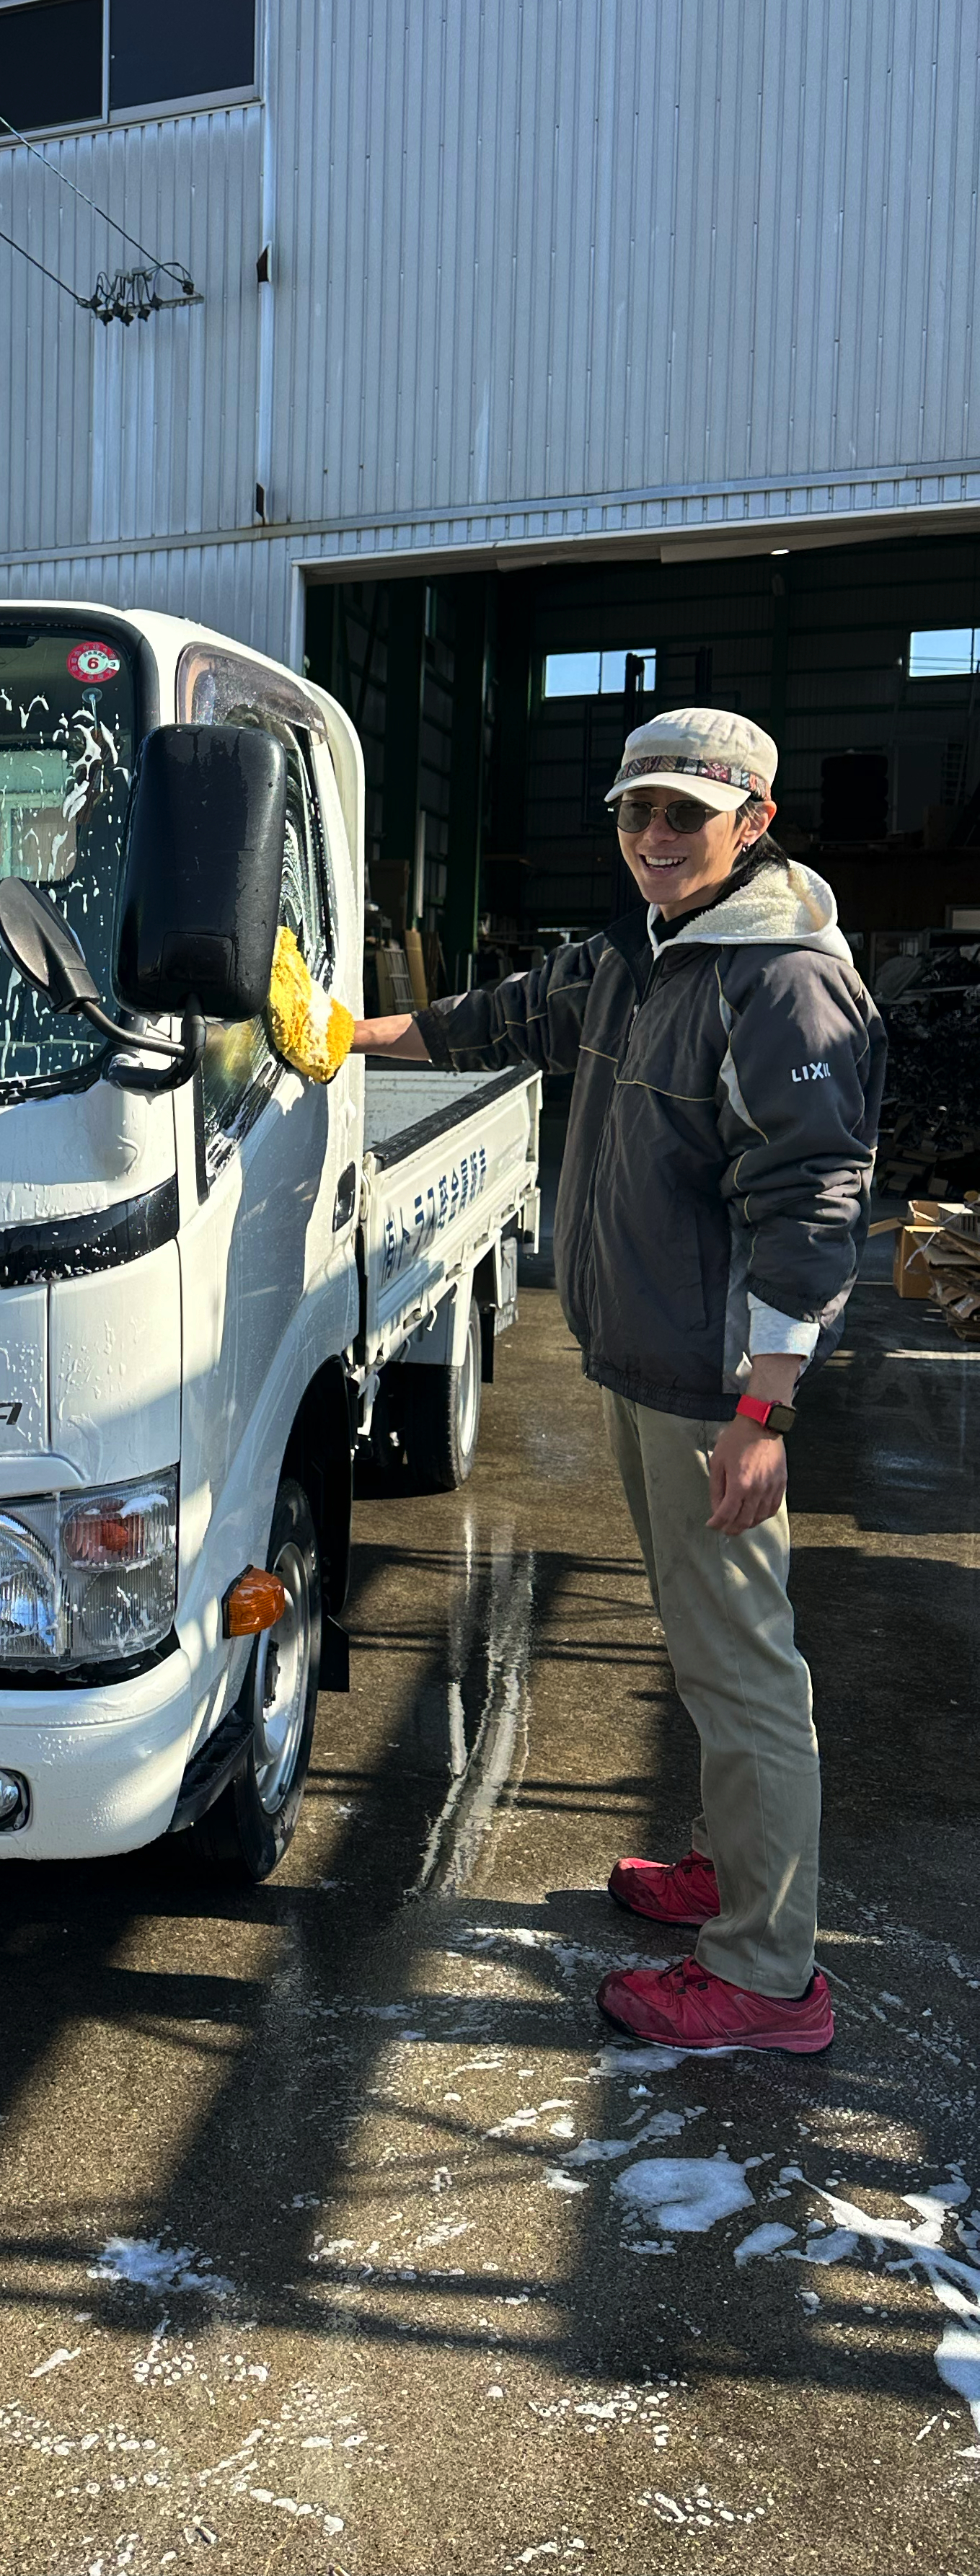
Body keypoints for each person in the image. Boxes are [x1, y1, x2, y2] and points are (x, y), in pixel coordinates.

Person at [354, 708, 885, 2053]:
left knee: (746, 1666)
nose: (655, 838)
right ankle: (727, 1870)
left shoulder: (783, 982)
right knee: (709, 1654)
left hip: (717, 1388)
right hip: (649, 1367)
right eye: (637, 813)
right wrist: (343, 1033)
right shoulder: (634, 958)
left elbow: (812, 1200)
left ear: (753, 825)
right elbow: (494, 1019)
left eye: (685, 817)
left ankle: (770, 1979)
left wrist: (766, 1410)